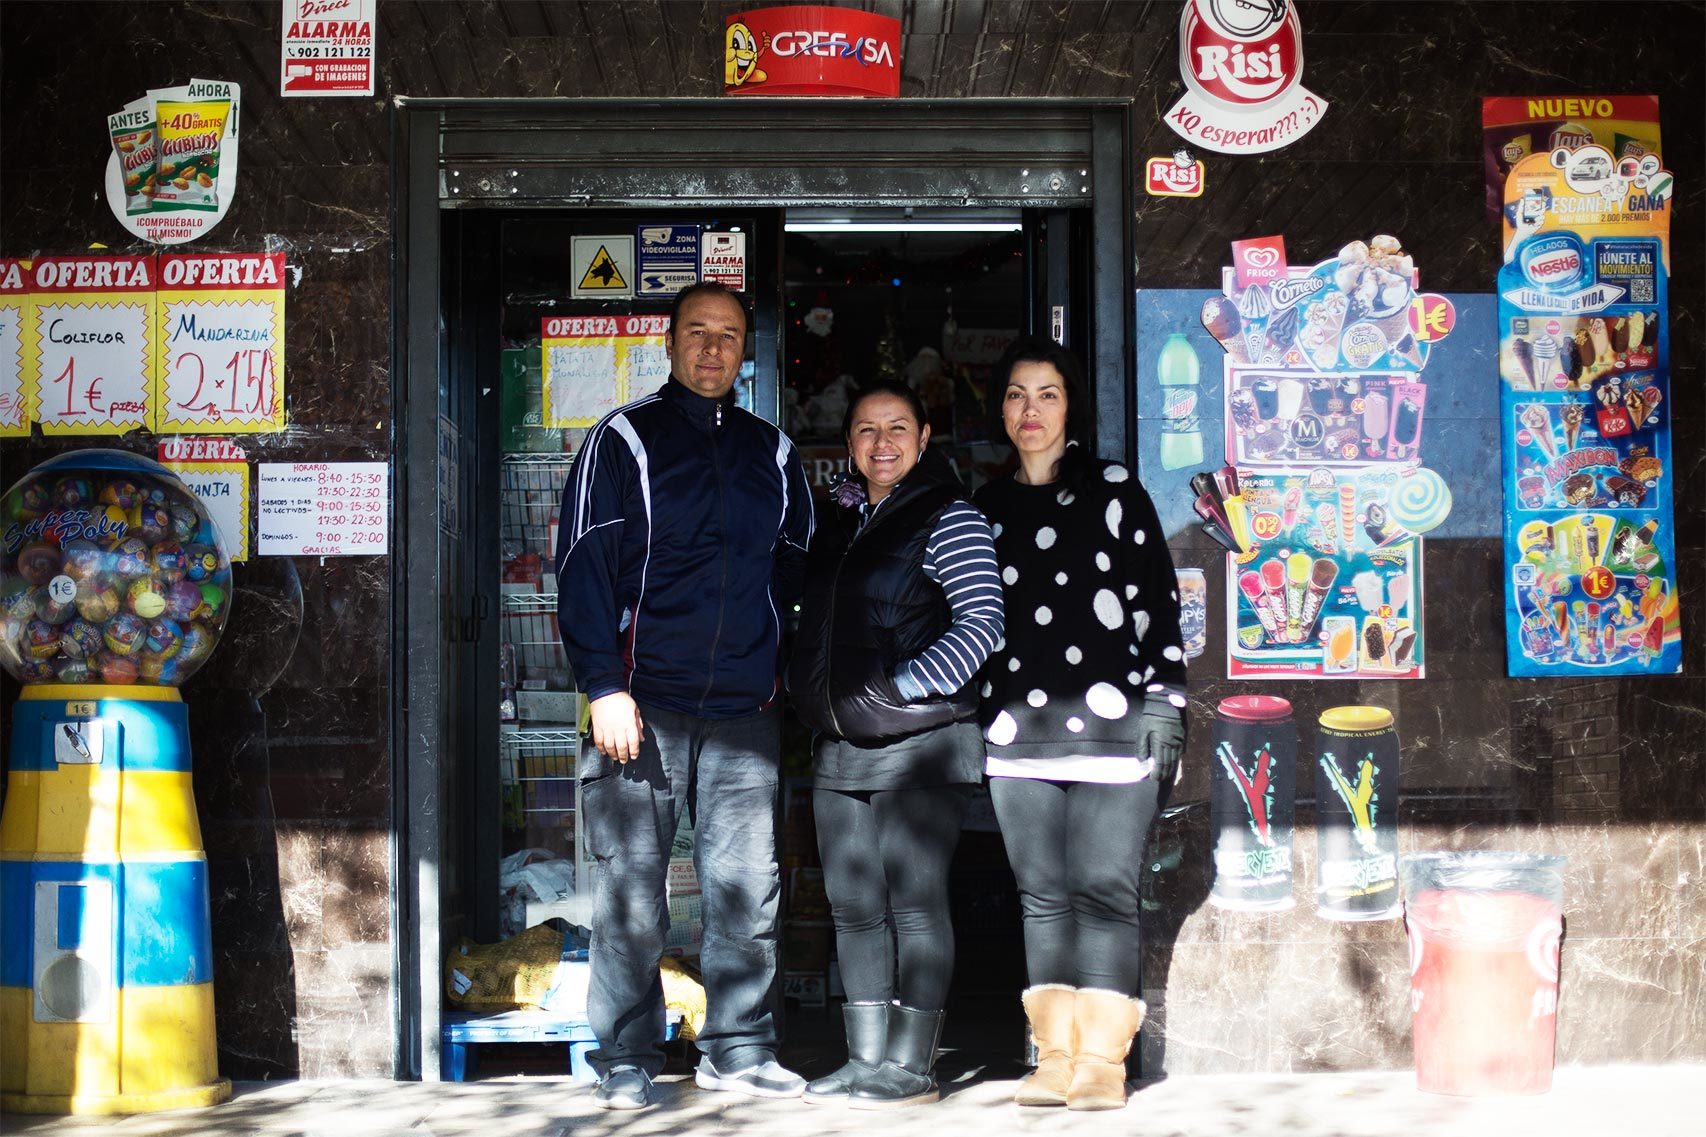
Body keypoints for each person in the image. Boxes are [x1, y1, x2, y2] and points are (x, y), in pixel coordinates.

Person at [555, 282, 815, 1111]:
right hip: (643, 704)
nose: (712, 348)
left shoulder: (772, 453)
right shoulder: (622, 440)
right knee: (632, 889)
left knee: (747, 886)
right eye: (697, 332)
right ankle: (627, 1053)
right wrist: (604, 685)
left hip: (745, 707)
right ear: (669, 344)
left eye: (729, 335)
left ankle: (737, 1047)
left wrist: (782, 674)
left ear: (746, 352)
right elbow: (583, 569)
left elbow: (797, 573)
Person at [973, 337, 1189, 1111]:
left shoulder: (1115, 491)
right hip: (1015, 736)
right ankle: (1055, 1055)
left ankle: (1103, 1060)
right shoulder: (985, 508)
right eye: (1017, 395)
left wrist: (1166, 701)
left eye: (1048, 394)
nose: (1031, 410)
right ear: (1001, 410)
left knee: (1104, 889)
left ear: (1072, 407)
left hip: (1115, 727)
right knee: (1042, 896)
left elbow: (1156, 606)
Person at [787, 380, 1004, 1109]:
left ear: (923, 435)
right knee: (853, 905)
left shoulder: (950, 514)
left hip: (922, 739)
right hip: (843, 742)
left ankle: (912, 1067)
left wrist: (903, 688)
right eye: (866, 431)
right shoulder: (843, 523)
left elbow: (982, 625)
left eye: (898, 428)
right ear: (849, 445)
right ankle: (866, 1058)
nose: (882, 443)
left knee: (914, 904)